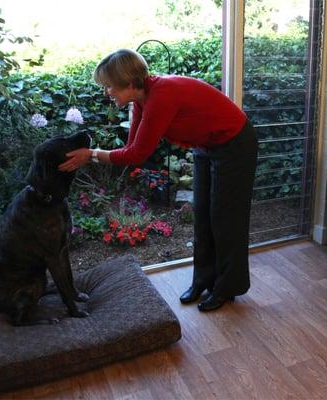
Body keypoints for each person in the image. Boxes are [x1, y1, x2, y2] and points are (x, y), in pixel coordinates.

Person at [59, 48, 258, 311]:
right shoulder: (140, 100)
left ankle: (227, 287)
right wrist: (94, 155)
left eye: (109, 86)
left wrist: (91, 155)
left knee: (225, 218)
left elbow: (138, 153)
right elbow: (132, 150)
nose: (106, 92)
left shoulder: (161, 96)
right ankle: (203, 280)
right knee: (203, 216)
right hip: (206, 145)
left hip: (235, 143)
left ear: (129, 83)